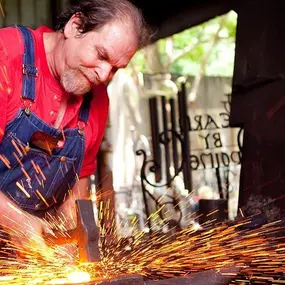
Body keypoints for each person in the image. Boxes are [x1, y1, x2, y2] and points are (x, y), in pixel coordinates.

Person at [0, 0, 151, 258]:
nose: (104, 75)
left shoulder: (98, 100)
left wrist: (71, 243)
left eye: (115, 68)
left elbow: (75, 184)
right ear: (75, 25)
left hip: (25, 260)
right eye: (101, 56)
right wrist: (18, 223)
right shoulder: (6, 55)